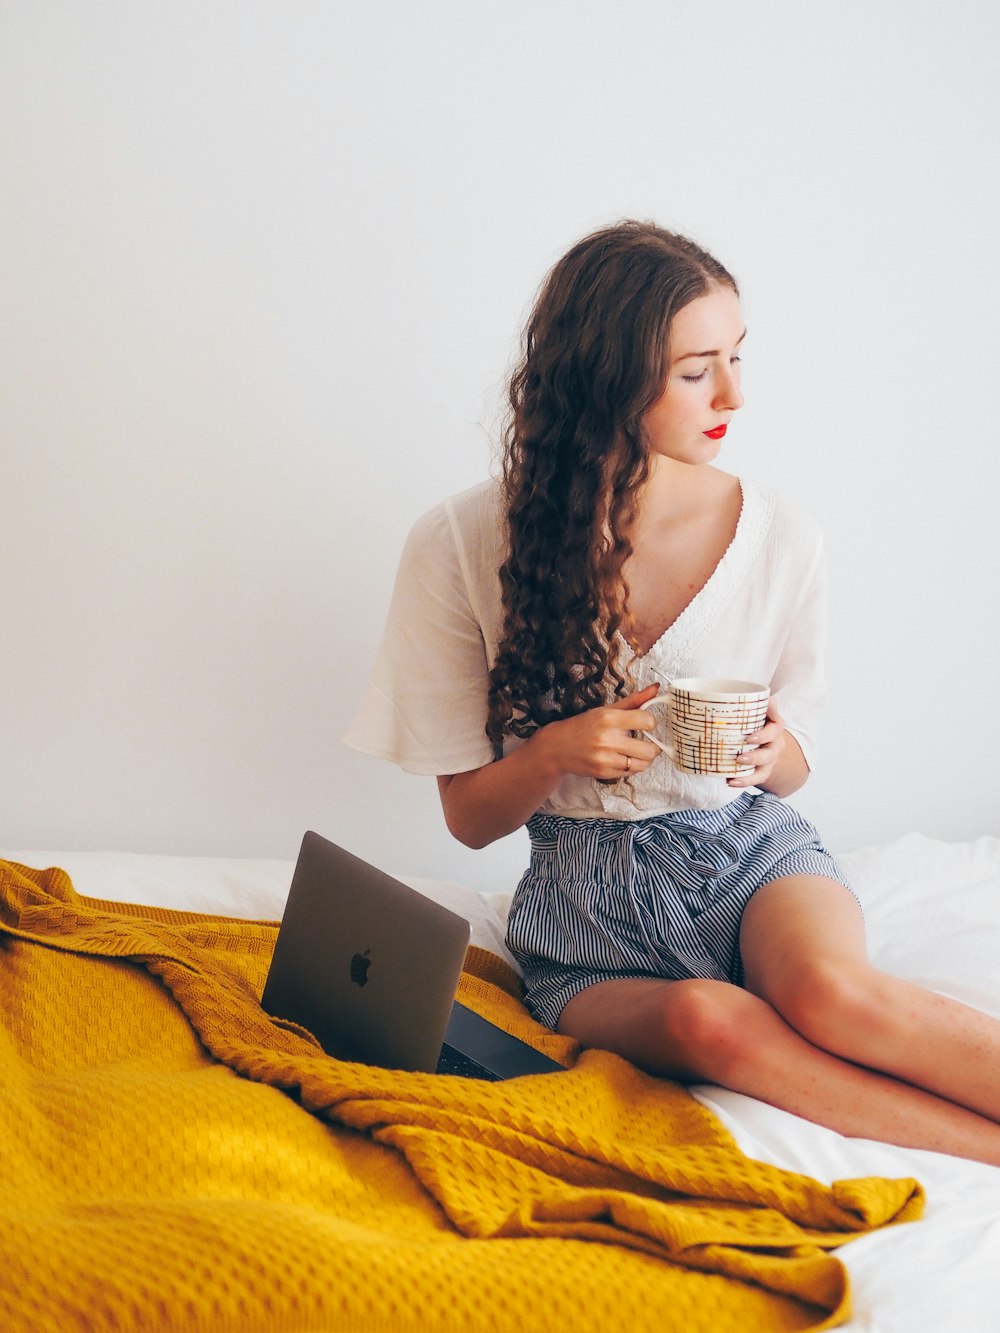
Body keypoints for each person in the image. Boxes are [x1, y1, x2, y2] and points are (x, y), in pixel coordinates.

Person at [347, 220, 1000, 1166]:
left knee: (832, 995)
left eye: (737, 357)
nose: (735, 393)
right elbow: (468, 821)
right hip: (584, 910)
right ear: (606, 375)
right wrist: (551, 753)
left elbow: (797, 756)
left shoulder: (781, 535)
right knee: (711, 1020)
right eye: (700, 369)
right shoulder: (457, 543)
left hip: (747, 853)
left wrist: (778, 756)